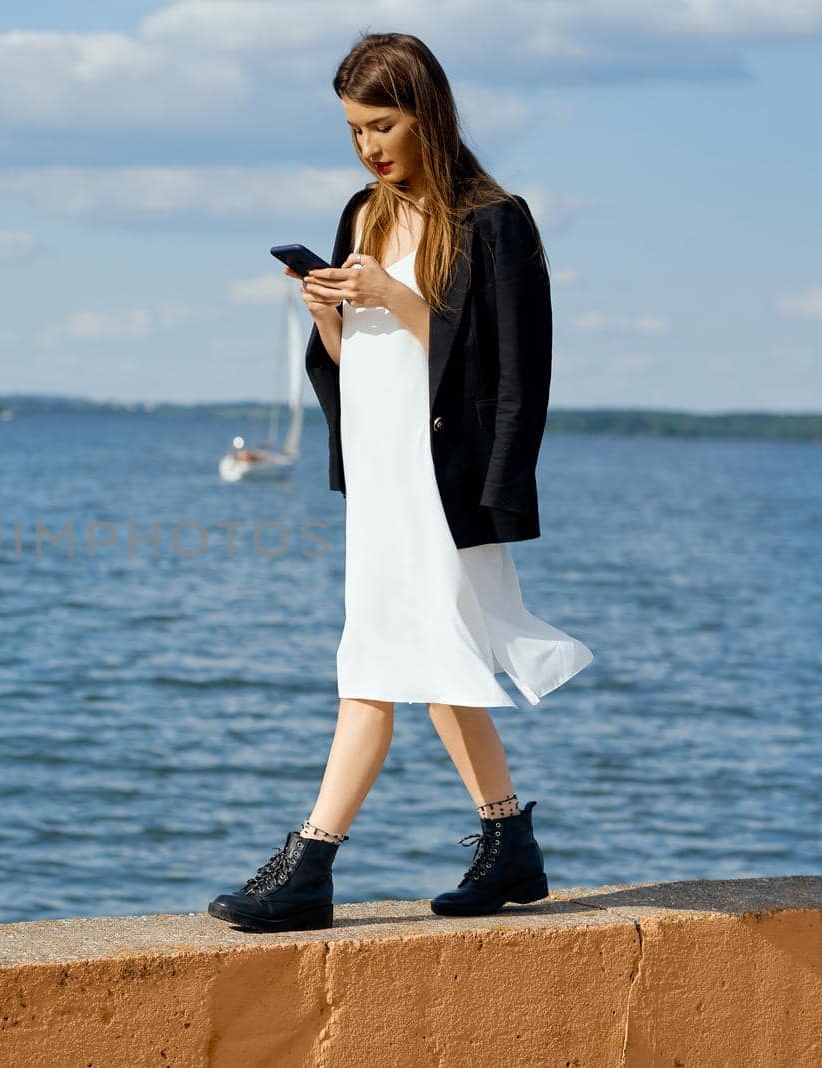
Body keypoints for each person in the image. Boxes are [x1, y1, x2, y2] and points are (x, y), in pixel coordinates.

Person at [208, 31, 595, 933]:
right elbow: (355, 369)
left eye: (382, 125)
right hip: (380, 480)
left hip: (444, 482)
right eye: (353, 131)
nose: (369, 147)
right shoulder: (363, 212)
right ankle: (509, 846)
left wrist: (397, 298)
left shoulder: (497, 221)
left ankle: (309, 863)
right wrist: (333, 315)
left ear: (428, 112)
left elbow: (504, 370)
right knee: (438, 663)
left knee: (374, 667)